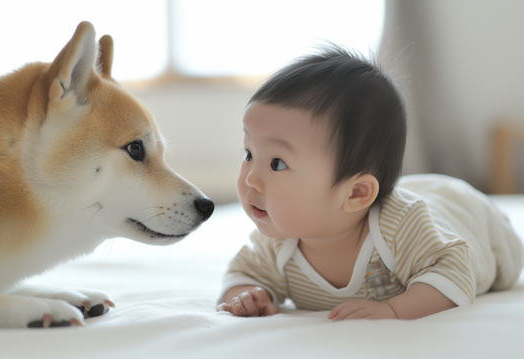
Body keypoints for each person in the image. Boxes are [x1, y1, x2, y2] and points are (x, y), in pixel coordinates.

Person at [216, 45, 524, 320]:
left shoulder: (401, 228)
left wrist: (394, 309)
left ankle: (500, 217)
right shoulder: (277, 242)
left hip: (466, 214)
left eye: (277, 164)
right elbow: (241, 274)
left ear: (356, 193)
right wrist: (247, 295)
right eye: (248, 154)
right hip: (418, 193)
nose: (251, 178)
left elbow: (455, 270)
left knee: (506, 261)